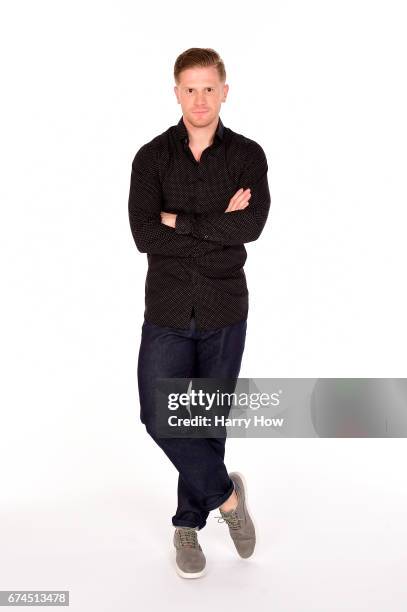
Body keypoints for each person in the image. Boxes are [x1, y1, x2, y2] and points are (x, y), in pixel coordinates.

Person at [128, 47, 271, 579]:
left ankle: (187, 523)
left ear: (225, 91)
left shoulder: (248, 156)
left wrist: (179, 222)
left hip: (224, 306)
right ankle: (227, 499)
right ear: (176, 92)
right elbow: (144, 234)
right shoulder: (151, 158)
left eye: (209, 87)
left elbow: (250, 226)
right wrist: (213, 223)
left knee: (206, 421)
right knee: (159, 413)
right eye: (190, 88)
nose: (200, 98)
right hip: (165, 305)